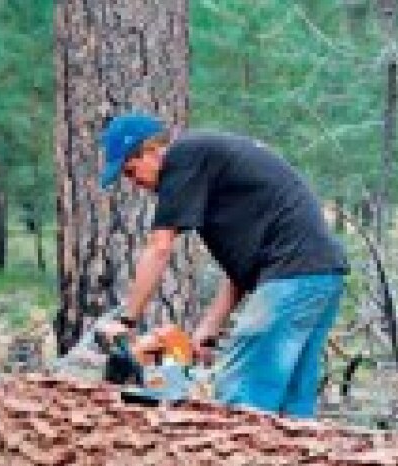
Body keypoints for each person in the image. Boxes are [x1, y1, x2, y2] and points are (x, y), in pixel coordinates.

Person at [97, 112, 349, 419]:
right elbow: (243, 269)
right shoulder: (209, 171)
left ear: (151, 151)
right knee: (292, 409)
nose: (134, 182)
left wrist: (126, 321)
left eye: (130, 171)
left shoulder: (182, 157)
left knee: (240, 397)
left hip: (293, 276)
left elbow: (160, 247)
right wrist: (208, 329)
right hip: (320, 276)